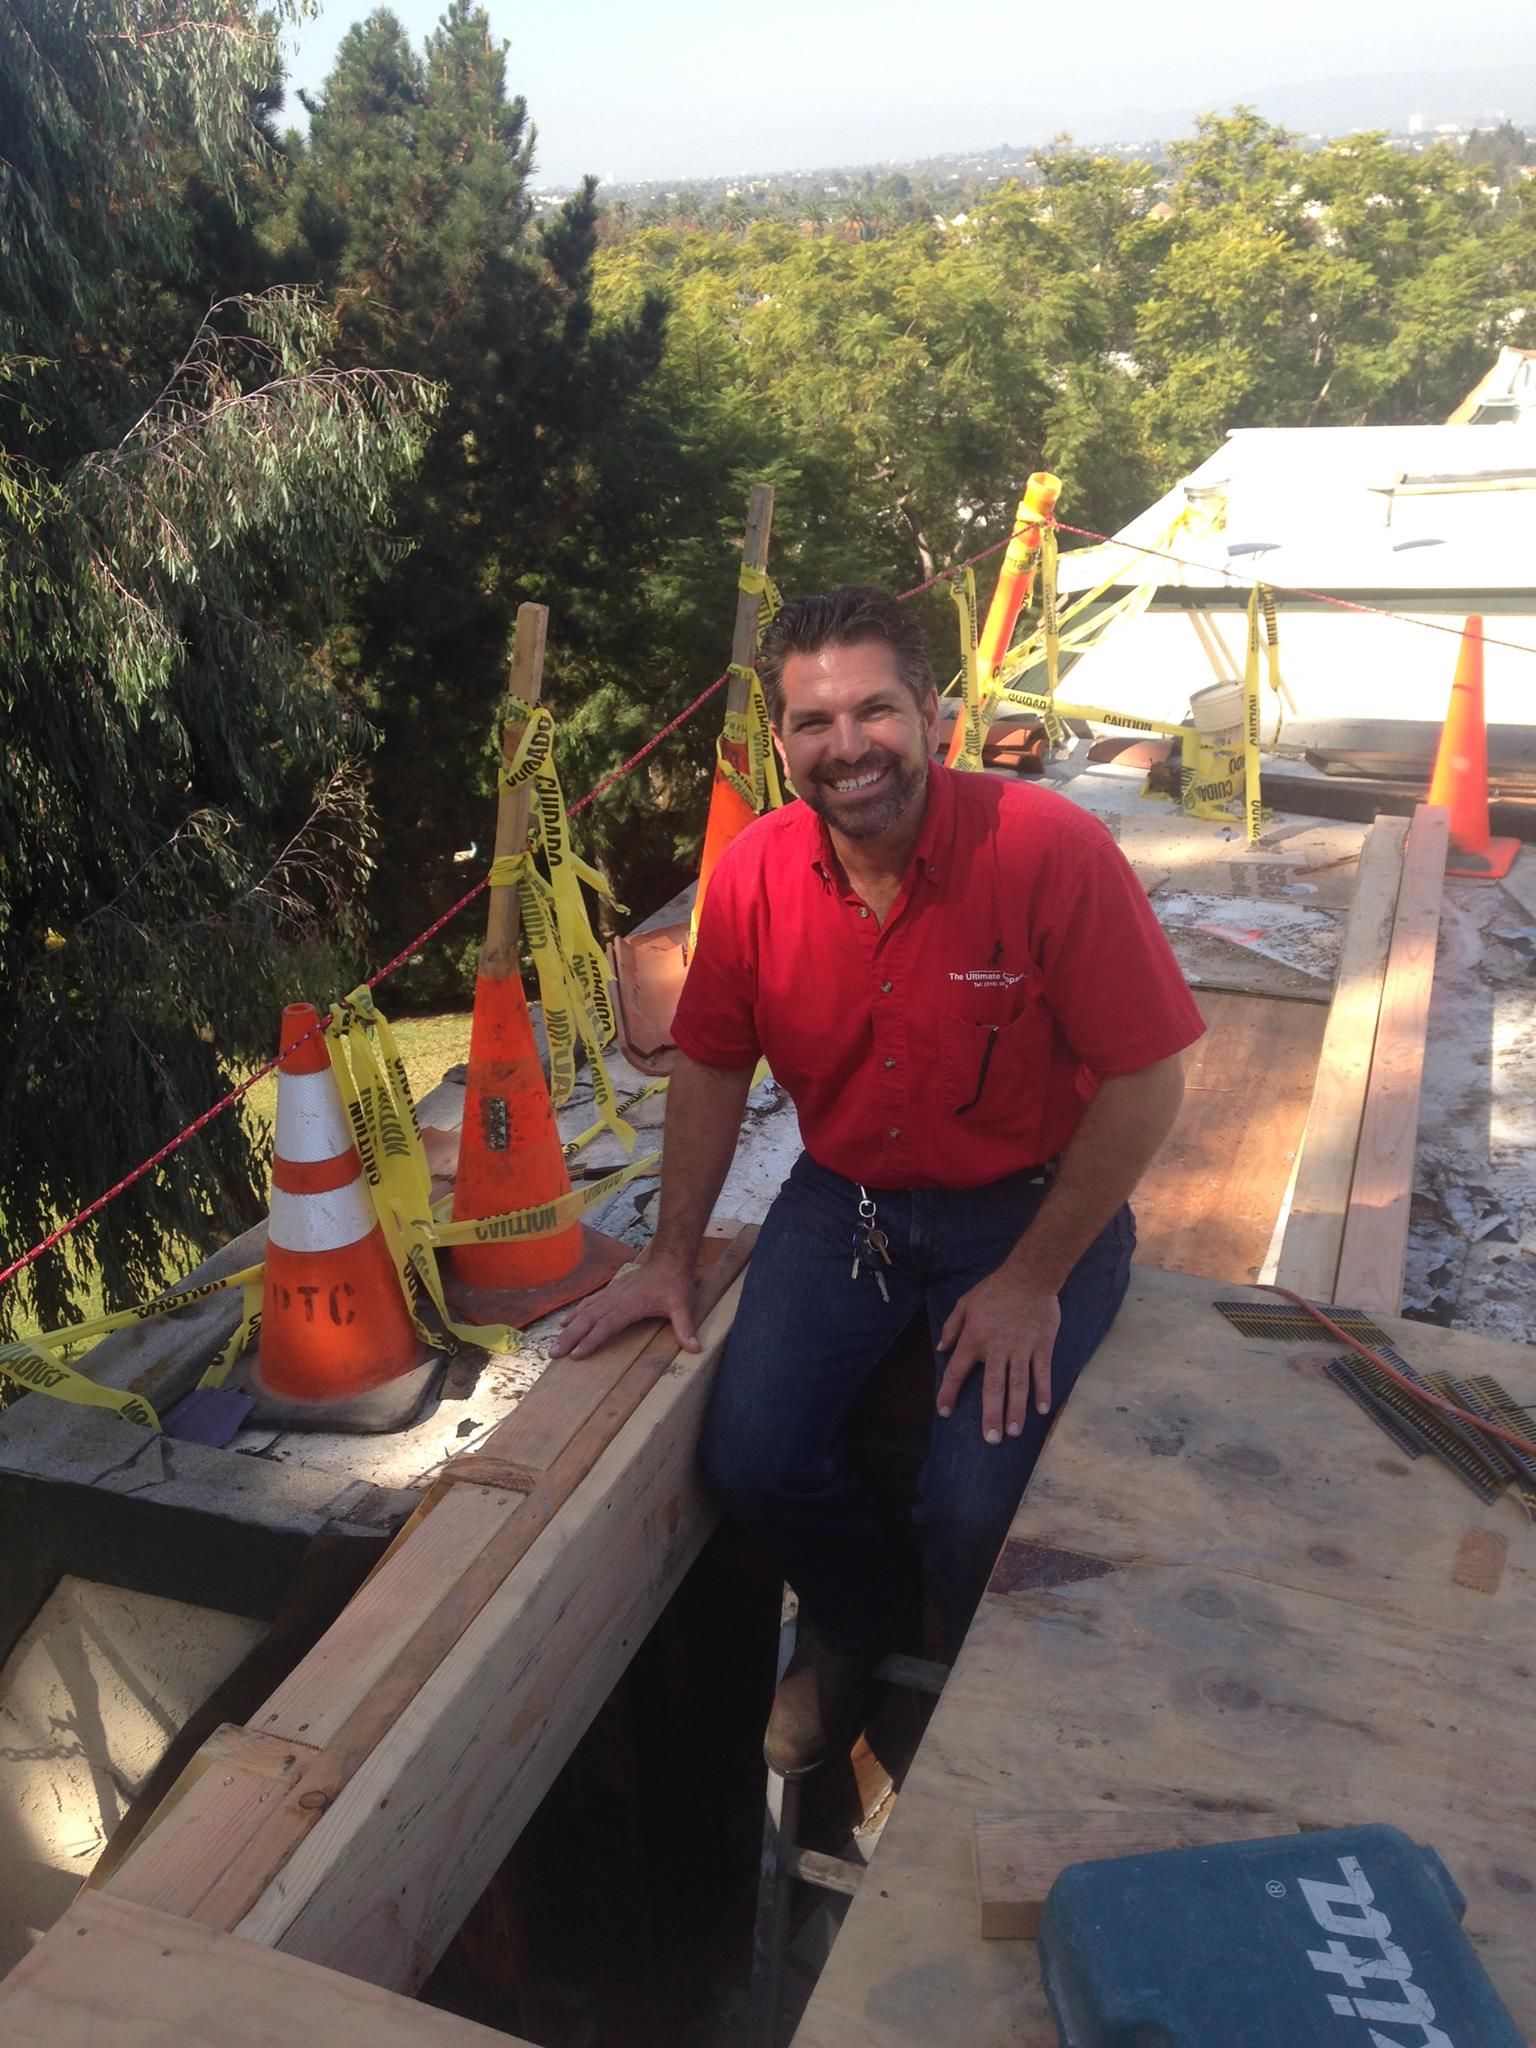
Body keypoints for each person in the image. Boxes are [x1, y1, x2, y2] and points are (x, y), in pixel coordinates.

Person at [555, 584, 1203, 1774]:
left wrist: (1030, 1279)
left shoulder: (1049, 851)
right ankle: (858, 1621)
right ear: (783, 741)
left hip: (1030, 1208)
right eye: (813, 722)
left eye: (874, 711)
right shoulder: (753, 874)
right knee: (751, 1454)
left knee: (973, 1503)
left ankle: (959, 1683)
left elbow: (1147, 1083)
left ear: (934, 716)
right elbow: (707, 1059)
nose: (846, 746)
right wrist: (666, 1254)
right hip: (845, 1196)